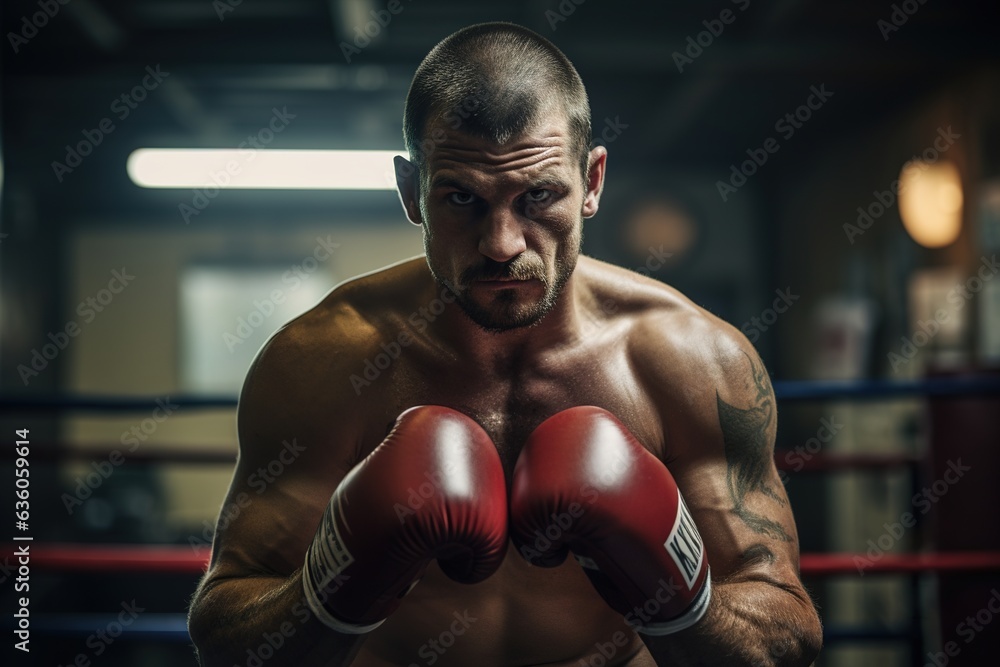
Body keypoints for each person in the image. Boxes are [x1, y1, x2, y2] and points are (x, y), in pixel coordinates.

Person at [188, 21, 823, 667]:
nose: (501, 242)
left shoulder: (690, 360)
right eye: (461, 197)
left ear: (593, 182)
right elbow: (226, 637)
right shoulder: (323, 361)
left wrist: (675, 596)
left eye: (538, 196)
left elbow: (785, 640)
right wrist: (334, 586)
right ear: (411, 191)